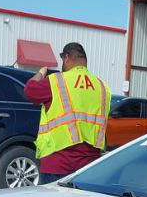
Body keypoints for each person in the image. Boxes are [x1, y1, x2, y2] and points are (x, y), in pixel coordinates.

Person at [24, 42, 112, 185]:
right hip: (89, 167)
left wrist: (41, 72)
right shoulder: (103, 87)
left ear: (66, 58)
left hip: (57, 165)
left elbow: (29, 90)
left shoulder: (57, 81)